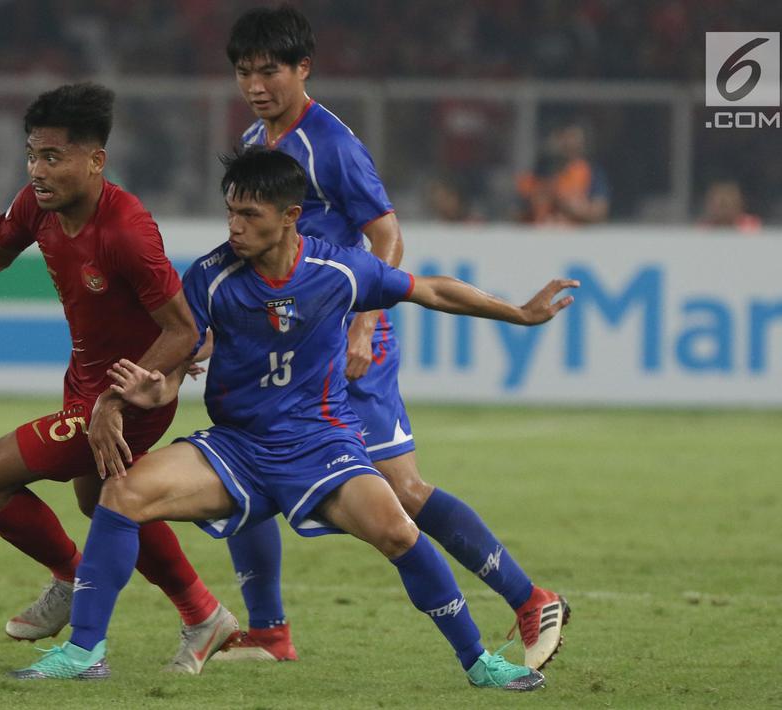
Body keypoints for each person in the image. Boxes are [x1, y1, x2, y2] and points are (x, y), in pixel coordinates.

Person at [11, 147, 577, 690]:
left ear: (290, 217)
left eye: (249, 215)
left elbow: (431, 290)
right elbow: (175, 369)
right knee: (120, 494)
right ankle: (84, 653)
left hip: (320, 447)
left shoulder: (339, 269)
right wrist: (150, 390)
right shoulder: (211, 275)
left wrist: (519, 313)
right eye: (230, 211)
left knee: (398, 530)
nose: (234, 227)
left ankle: (479, 662)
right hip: (237, 447)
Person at [215, 5, 571, 670]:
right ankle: (268, 630)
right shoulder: (256, 139)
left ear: (302, 68)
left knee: (402, 491)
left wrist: (364, 323)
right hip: (286, 340)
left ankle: (530, 599)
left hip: (344, 338)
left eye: (269, 71)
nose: (255, 85)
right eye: (244, 72)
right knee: (245, 460)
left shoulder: (330, 144)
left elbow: (385, 236)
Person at [0, 82, 237, 673]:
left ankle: (73, 584)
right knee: (108, 500)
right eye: (32, 155)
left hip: (130, 393)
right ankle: (202, 613)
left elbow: (182, 330)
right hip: (83, 380)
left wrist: (115, 401)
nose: (37, 169)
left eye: (53, 157)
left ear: (96, 160)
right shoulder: (39, 203)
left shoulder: (127, 231)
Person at [516, 121, 610, 225]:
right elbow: (517, 209)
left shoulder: (593, 172)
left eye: (573, 139)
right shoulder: (541, 171)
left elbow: (599, 212)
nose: (569, 144)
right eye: (564, 138)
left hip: (576, 231)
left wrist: (567, 203)